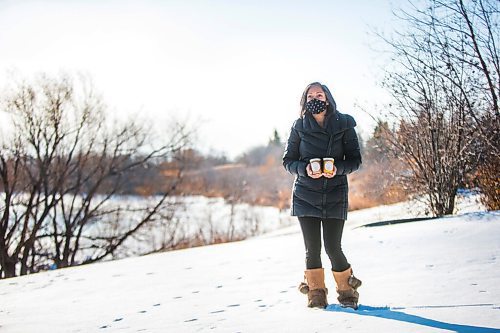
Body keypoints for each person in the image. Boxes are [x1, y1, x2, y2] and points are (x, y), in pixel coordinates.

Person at [282, 82, 362, 309]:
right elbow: (288, 161)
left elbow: (355, 160)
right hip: (306, 194)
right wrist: (304, 169)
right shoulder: (299, 126)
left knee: (333, 247)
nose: (315, 98)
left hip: (335, 192)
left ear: (327, 98)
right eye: (310, 96)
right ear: (305, 101)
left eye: (319, 94)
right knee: (312, 249)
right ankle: (316, 295)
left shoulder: (345, 124)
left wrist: (338, 169)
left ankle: (347, 293)